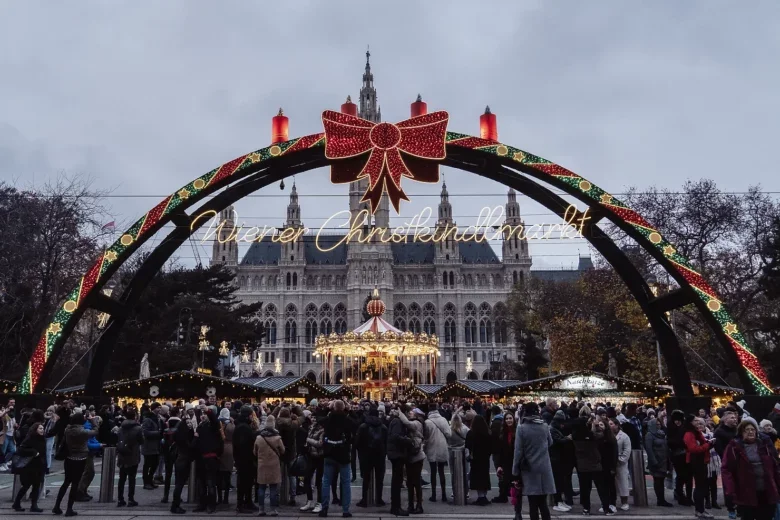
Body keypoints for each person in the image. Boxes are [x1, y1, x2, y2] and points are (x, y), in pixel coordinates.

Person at [721, 419, 780, 520]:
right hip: (746, 492)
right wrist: (730, 490)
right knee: (748, 516)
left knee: (767, 516)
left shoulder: (765, 444)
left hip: (767, 490)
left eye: (753, 429)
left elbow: (776, 465)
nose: (750, 432)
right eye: (746, 430)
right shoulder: (734, 447)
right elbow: (726, 469)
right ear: (741, 432)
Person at [512, 402, 555, 520]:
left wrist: (515, 471)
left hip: (530, 469)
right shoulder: (544, 426)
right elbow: (550, 442)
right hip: (545, 468)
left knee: (533, 504)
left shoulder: (521, 428)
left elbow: (518, 451)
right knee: (543, 503)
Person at [53, 411, 96, 517]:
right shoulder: (83, 432)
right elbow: (95, 431)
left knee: (66, 482)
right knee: (75, 484)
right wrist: (92, 421)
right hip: (80, 458)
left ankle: (57, 506)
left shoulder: (67, 430)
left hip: (69, 458)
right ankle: (69, 508)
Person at [319, 399, 353, 518]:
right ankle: (345, 510)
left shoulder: (327, 419)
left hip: (329, 453)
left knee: (326, 482)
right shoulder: (347, 420)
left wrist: (327, 408)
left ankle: (324, 509)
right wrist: (349, 410)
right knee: (345, 482)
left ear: (333, 408)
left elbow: (318, 417)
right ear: (344, 408)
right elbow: (357, 423)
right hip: (343, 453)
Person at [572, 408, 610, 516]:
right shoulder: (591, 435)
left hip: (582, 465)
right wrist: (596, 426)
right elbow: (600, 435)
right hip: (595, 463)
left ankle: (586, 509)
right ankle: (606, 507)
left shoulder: (575, 436)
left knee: (585, 488)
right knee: (601, 487)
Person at [355, 406, 387, 508]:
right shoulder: (383, 427)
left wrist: (361, 452)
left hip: (366, 455)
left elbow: (357, 442)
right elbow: (386, 442)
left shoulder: (363, 426)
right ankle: (379, 499)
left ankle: (364, 500)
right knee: (379, 479)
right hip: (379, 455)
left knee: (366, 479)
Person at [194, 409, 224, 514]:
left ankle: (211, 505)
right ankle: (202, 504)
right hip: (201, 458)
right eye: (202, 414)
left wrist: (209, 412)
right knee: (201, 484)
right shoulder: (200, 427)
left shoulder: (213, 427)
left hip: (211, 458)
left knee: (210, 483)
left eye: (204, 414)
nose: (203, 416)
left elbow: (215, 421)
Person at [684, 416, 714, 519]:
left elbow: (703, 443)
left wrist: (708, 443)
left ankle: (700, 509)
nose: (697, 423)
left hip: (702, 461)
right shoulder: (689, 434)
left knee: (703, 486)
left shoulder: (697, 433)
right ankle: (699, 510)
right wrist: (708, 445)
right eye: (695, 421)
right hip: (696, 462)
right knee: (700, 487)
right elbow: (694, 449)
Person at [12, 422, 46, 513]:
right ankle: (17, 503)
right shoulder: (30, 438)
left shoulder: (42, 438)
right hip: (30, 466)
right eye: (40, 428)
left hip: (39, 465)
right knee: (26, 485)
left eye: (42, 428)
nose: (42, 430)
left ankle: (33, 505)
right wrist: (33, 452)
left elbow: (44, 453)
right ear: (35, 429)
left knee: (36, 486)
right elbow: (21, 449)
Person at [254, 414, 284, 517]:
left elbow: (255, 452)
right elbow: (283, 450)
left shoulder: (259, 438)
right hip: (274, 465)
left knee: (261, 487)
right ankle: (273, 510)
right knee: (273, 488)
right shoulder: (277, 438)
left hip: (262, 465)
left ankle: (261, 509)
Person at [387, 403, 413, 516]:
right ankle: (396, 507)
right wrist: (407, 440)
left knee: (397, 480)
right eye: (409, 412)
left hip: (396, 453)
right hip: (397, 453)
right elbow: (395, 436)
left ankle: (395, 506)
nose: (411, 414)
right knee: (397, 481)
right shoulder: (398, 422)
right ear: (405, 412)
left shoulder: (396, 421)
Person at [233, 405, 259, 513]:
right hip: (244, 459)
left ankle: (248, 501)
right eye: (251, 415)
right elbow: (243, 445)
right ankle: (241, 504)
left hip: (245, 459)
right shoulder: (243, 427)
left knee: (248, 482)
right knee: (244, 482)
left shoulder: (242, 426)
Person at [423, 403, 450, 503]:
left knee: (433, 472)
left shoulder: (427, 422)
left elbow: (425, 437)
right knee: (442, 471)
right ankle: (443, 495)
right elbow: (448, 433)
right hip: (442, 446)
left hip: (431, 447)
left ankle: (433, 495)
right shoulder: (443, 420)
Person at [116, 408, 143, 508]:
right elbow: (141, 441)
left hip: (122, 454)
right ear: (134, 416)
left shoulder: (121, 427)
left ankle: (120, 499)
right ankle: (131, 499)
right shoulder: (138, 428)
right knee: (132, 478)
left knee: (121, 478)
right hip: (133, 454)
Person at [644, 417, 673, 506]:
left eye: (659, 424)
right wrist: (654, 461)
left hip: (664, 461)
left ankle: (662, 499)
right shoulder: (649, 435)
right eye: (657, 424)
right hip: (656, 461)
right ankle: (660, 500)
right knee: (658, 481)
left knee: (661, 480)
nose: (659, 426)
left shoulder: (662, 434)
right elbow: (649, 449)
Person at [465, 414, 493, 505]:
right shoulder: (487, 433)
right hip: (485, 458)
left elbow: (467, 446)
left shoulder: (471, 433)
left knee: (477, 477)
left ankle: (480, 496)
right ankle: (483, 495)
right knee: (485, 476)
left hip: (475, 459)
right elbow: (491, 447)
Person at [276, 407, 300, 507]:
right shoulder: (293, 424)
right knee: (292, 476)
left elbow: (272, 416)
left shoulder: (277, 423)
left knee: (278, 476)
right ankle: (293, 497)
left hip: (279, 451)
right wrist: (296, 408)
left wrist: (278, 407)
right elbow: (302, 416)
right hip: (291, 452)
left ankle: (277, 497)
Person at [303, 412, 326, 513]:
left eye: (315, 418)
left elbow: (320, 444)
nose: (313, 419)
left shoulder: (322, 429)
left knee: (319, 481)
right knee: (307, 478)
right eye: (312, 417)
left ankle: (319, 503)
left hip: (320, 457)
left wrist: (308, 440)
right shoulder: (310, 428)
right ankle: (309, 501)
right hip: (311, 456)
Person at [494, 412, 517, 504]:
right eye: (507, 419)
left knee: (515, 480)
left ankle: (515, 497)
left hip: (515, 459)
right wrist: (499, 464)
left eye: (510, 418)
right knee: (503, 479)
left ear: (513, 419)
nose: (508, 420)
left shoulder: (517, 431)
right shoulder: (503, 432)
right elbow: (500, 449)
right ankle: (503, 496)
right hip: (505, 459)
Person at [447, 413, 469, 504]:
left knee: (453, 472)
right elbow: (469, 437)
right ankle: (466, 491)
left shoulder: (449, 429)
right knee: (465, 472)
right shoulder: (465, 429)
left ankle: (454, 490)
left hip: (451, 451)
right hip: (463, 451)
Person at [610, 418, 631, 511]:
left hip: (620, 463)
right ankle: (611, 502)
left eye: (611, 424)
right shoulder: (607, 435)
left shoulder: (624, 436)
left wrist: (620, 460)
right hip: (609, 463)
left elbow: (627, 450)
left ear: (617, 425)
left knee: (623, 483)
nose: (610, 425)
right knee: (610, 485)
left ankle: (625, 502)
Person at [141, 403, 162, 490]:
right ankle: (146, 482)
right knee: (148, 464)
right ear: (153, 409)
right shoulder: (148, 419)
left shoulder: (157, 418)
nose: (159, 409)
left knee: (155, 463)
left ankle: (150, 480)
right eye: (158, 408)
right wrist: (158, 433)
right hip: (149, 445)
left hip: (155, 445)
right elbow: (145, 432)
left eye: (160, 408)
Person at [218, 408, 235, 506]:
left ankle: (219, 497)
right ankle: (226, 499)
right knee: (227, 476)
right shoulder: (231, 425)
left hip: (219, 449)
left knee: (219, 477)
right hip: (229, 449)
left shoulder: (218, 423)